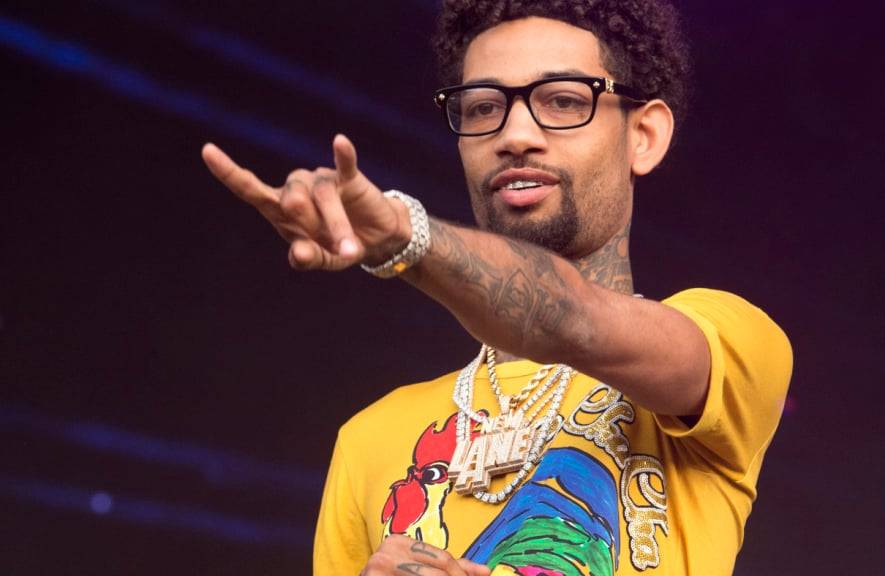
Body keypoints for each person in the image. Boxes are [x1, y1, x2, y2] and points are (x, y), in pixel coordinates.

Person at [201, 1, 792, 574]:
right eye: (483, 108)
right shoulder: (367, 438)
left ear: (644, 135)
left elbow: (571, 317)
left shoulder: (731, 345)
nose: (515, 134)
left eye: (562, 100)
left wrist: (408, 236)